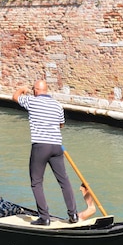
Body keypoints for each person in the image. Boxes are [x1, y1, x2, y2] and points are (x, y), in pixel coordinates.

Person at [13, 79, 78, 226]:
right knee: (64, 180)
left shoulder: (32, 101)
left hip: (41, 146)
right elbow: (61, 125)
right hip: (56, 146)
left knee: (36, 182)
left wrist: (22, 89)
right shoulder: (57, 105)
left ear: (36, 90)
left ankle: (44, 217)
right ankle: (73, 214)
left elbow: (15, 97)